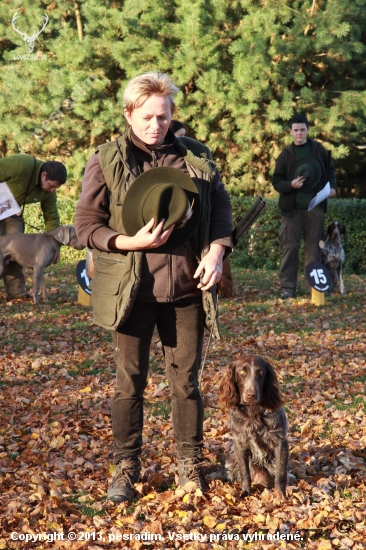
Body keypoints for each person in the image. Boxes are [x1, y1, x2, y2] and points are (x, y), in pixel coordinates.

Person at [75, 71, 233, 502]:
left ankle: (189, 463)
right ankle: (125, 466)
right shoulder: (106, 160)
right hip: (132, 294)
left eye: (162, 117)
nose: (155, 125)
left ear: (171, 115)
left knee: (186, 384)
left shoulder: (196, 157)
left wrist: (217, 250)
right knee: (130, 383)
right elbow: (86, 226)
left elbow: (220, 206)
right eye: (146, 117)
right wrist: (129, 242)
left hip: (186, 289)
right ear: (129, 114)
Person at [272, 114, 337, 299]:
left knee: (314, 248)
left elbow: (330, 172)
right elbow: (276, 181)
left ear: (308, 130)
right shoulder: (285, 154)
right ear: (290, 132)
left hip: (314, 207)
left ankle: (314, 288)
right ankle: (287, 288)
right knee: (290, 248)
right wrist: (290, 185)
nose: (299, 133)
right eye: (295, 130)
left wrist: (332, 188)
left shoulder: (318, 150)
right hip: (291, 210)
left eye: (302, 129)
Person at [0, 154, 67, 298]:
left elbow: (51, 216)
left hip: (11, 213)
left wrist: (56, 246)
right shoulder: (21, 164)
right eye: (51, 185)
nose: (52, 190)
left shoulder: (49, 192)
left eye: (56, 187)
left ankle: (16, 292)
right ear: (43, 175)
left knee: (16, 250)